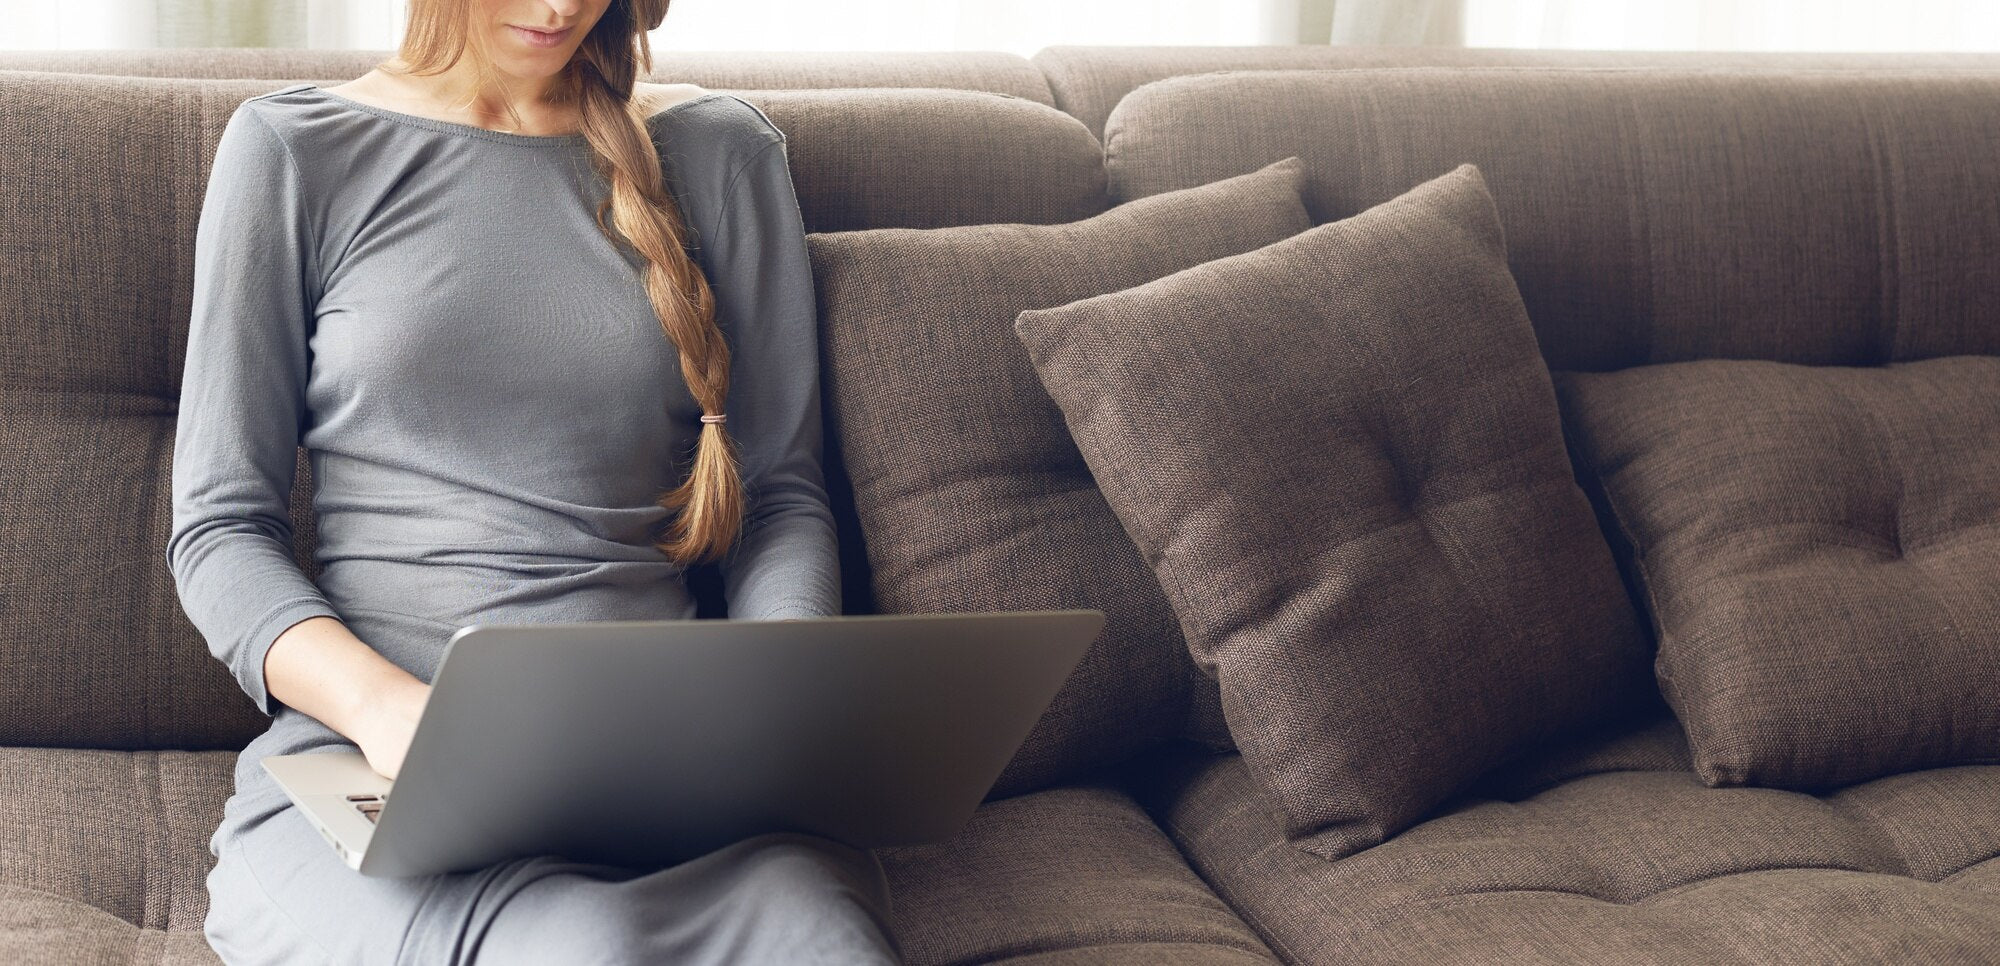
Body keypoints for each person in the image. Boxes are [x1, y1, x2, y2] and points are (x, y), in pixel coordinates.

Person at [166, 0, 902, 961]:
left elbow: (779, 498)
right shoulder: (294, 151)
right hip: (377, 770)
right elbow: (221, 529)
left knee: (826, 941)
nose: (561, 6)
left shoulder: (724, 154)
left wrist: (773, 710)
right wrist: (391, 713)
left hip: (664, 772)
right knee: (586, 948)